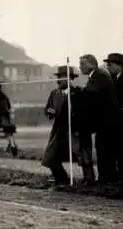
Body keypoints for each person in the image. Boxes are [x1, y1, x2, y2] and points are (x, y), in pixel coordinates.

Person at [42, 65, 94, 187]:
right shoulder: (54, 93)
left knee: (83, 156)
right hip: (59, 131)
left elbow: (85, 111)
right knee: (50, 157)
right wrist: (50, 111)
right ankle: (62, 179)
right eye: (57, 77)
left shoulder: (79, 92)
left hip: (76, 130)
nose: (58, 80)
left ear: (69, 79)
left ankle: (89, 181)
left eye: (61, 77)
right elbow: (48, 108)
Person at [79, 54, 120, 187]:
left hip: (108, 121)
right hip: (103, 122)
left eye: (82, 64)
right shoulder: (96, 76)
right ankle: (105, 180)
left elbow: (92, 94)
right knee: (102, 149)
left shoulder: (100, 75)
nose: (80, 67)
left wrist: (78, 93)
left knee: (105, 150)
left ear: (91, 64)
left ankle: (108, 180)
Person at [103, 53, 123, 197]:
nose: (108, 67)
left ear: (119, 65)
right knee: (118, 155)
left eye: (110, 64)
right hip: (116, 125)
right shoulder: (114, 79)